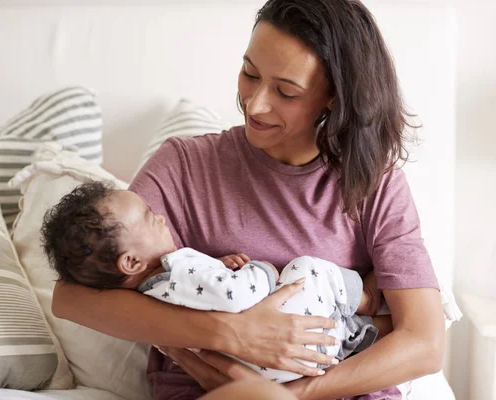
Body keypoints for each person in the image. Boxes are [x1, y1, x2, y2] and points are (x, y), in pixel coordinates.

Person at [51, 0, 446, 398]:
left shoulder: (374, 183)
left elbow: (425, 344)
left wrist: (295, 394)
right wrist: (232, 334)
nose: (255, 104)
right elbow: (72, 299)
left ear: (333, 97)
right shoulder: (185, 166)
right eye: (249, 73)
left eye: (286, 92)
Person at [41, 180, 380, 383]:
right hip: (290, 346)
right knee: (306, 270)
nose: (159, 217)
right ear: (130, 261)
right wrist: (262, 270)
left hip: (277, 371)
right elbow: (234, 296)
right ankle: (364, 299)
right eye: (148, 217)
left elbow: (205, 291)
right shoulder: (174, 270)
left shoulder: (153, 292)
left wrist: (215, 266)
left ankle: (354, 330)